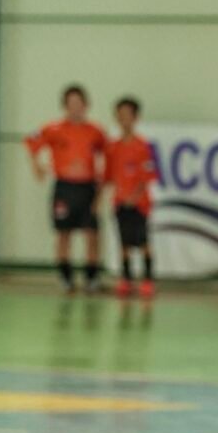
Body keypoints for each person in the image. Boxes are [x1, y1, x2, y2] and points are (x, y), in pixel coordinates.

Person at [24, 84, 107, 294]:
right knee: (64, 233)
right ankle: (65, 276)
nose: (75, 107)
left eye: (79, 103)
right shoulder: (53, 129)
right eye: (71, 103)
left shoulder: (95, 131)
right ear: (65, 106)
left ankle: (91, 276)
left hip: (87, 187)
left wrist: (101, 186)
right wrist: (37, 165)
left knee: (92, 233)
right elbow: (31, 141)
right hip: (64, 187)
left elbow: (107, 154)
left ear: (86, 105)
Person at [104, 97, 158, 298]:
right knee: (124, 242)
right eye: (120, 115)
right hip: (120, 202)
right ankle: (126, 278)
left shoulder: (143, 146)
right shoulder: (113, 147)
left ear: (135, 118)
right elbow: (109, 176)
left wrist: (134, 196)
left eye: (128, 115)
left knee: (143, 241)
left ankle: (148, 279)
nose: (124, 119)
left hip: (139, 204)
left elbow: (147, 176)